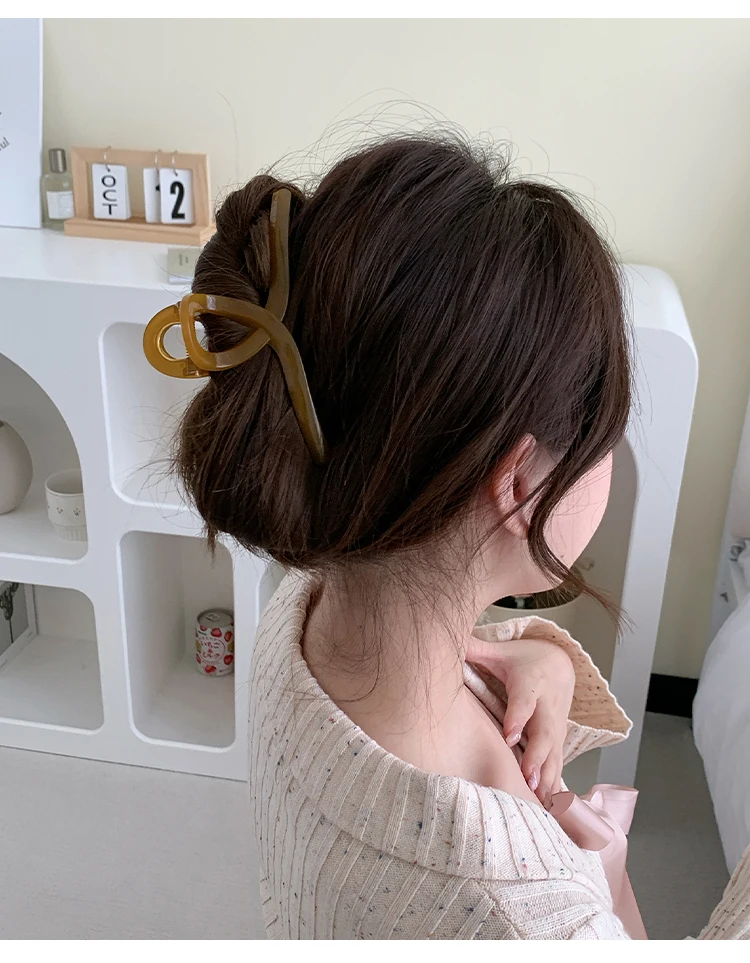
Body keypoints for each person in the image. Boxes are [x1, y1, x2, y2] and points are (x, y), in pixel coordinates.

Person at [153, 135, 750, 939]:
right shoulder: (525, 919)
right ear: (519, 482)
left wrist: (539, 660)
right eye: (605, 436)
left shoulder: (303, 612)